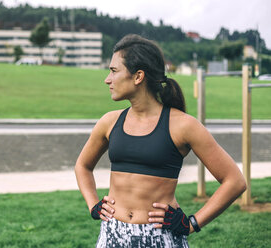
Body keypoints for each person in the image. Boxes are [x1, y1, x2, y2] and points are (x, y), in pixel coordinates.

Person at [74, 34, 246, 248]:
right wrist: (93, 205)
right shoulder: (109, 122)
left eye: (114, 71)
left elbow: (235, 181)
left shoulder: (183, 125)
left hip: (160, 238)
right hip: (112, 235)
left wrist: (192, 223)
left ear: (138, 77)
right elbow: (82, 165)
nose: (107, 79)